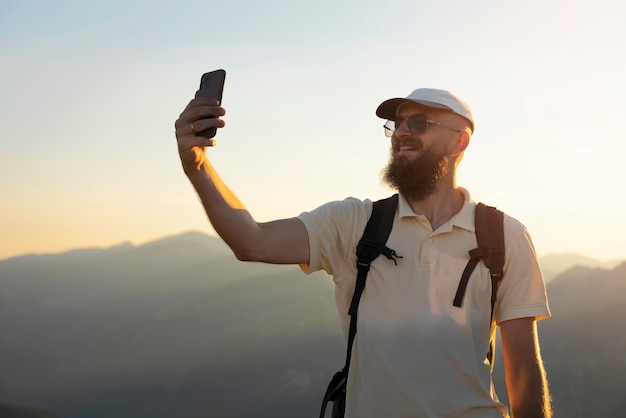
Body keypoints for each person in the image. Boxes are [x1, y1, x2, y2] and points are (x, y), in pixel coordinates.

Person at [175, 87, 552, 418]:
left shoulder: (504, 237)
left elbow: (522, 371)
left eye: (418, 123)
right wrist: (197, 166)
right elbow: (253, 241)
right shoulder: (356, 222)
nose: (401, 132)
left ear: (460, 141)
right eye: (396, 125)